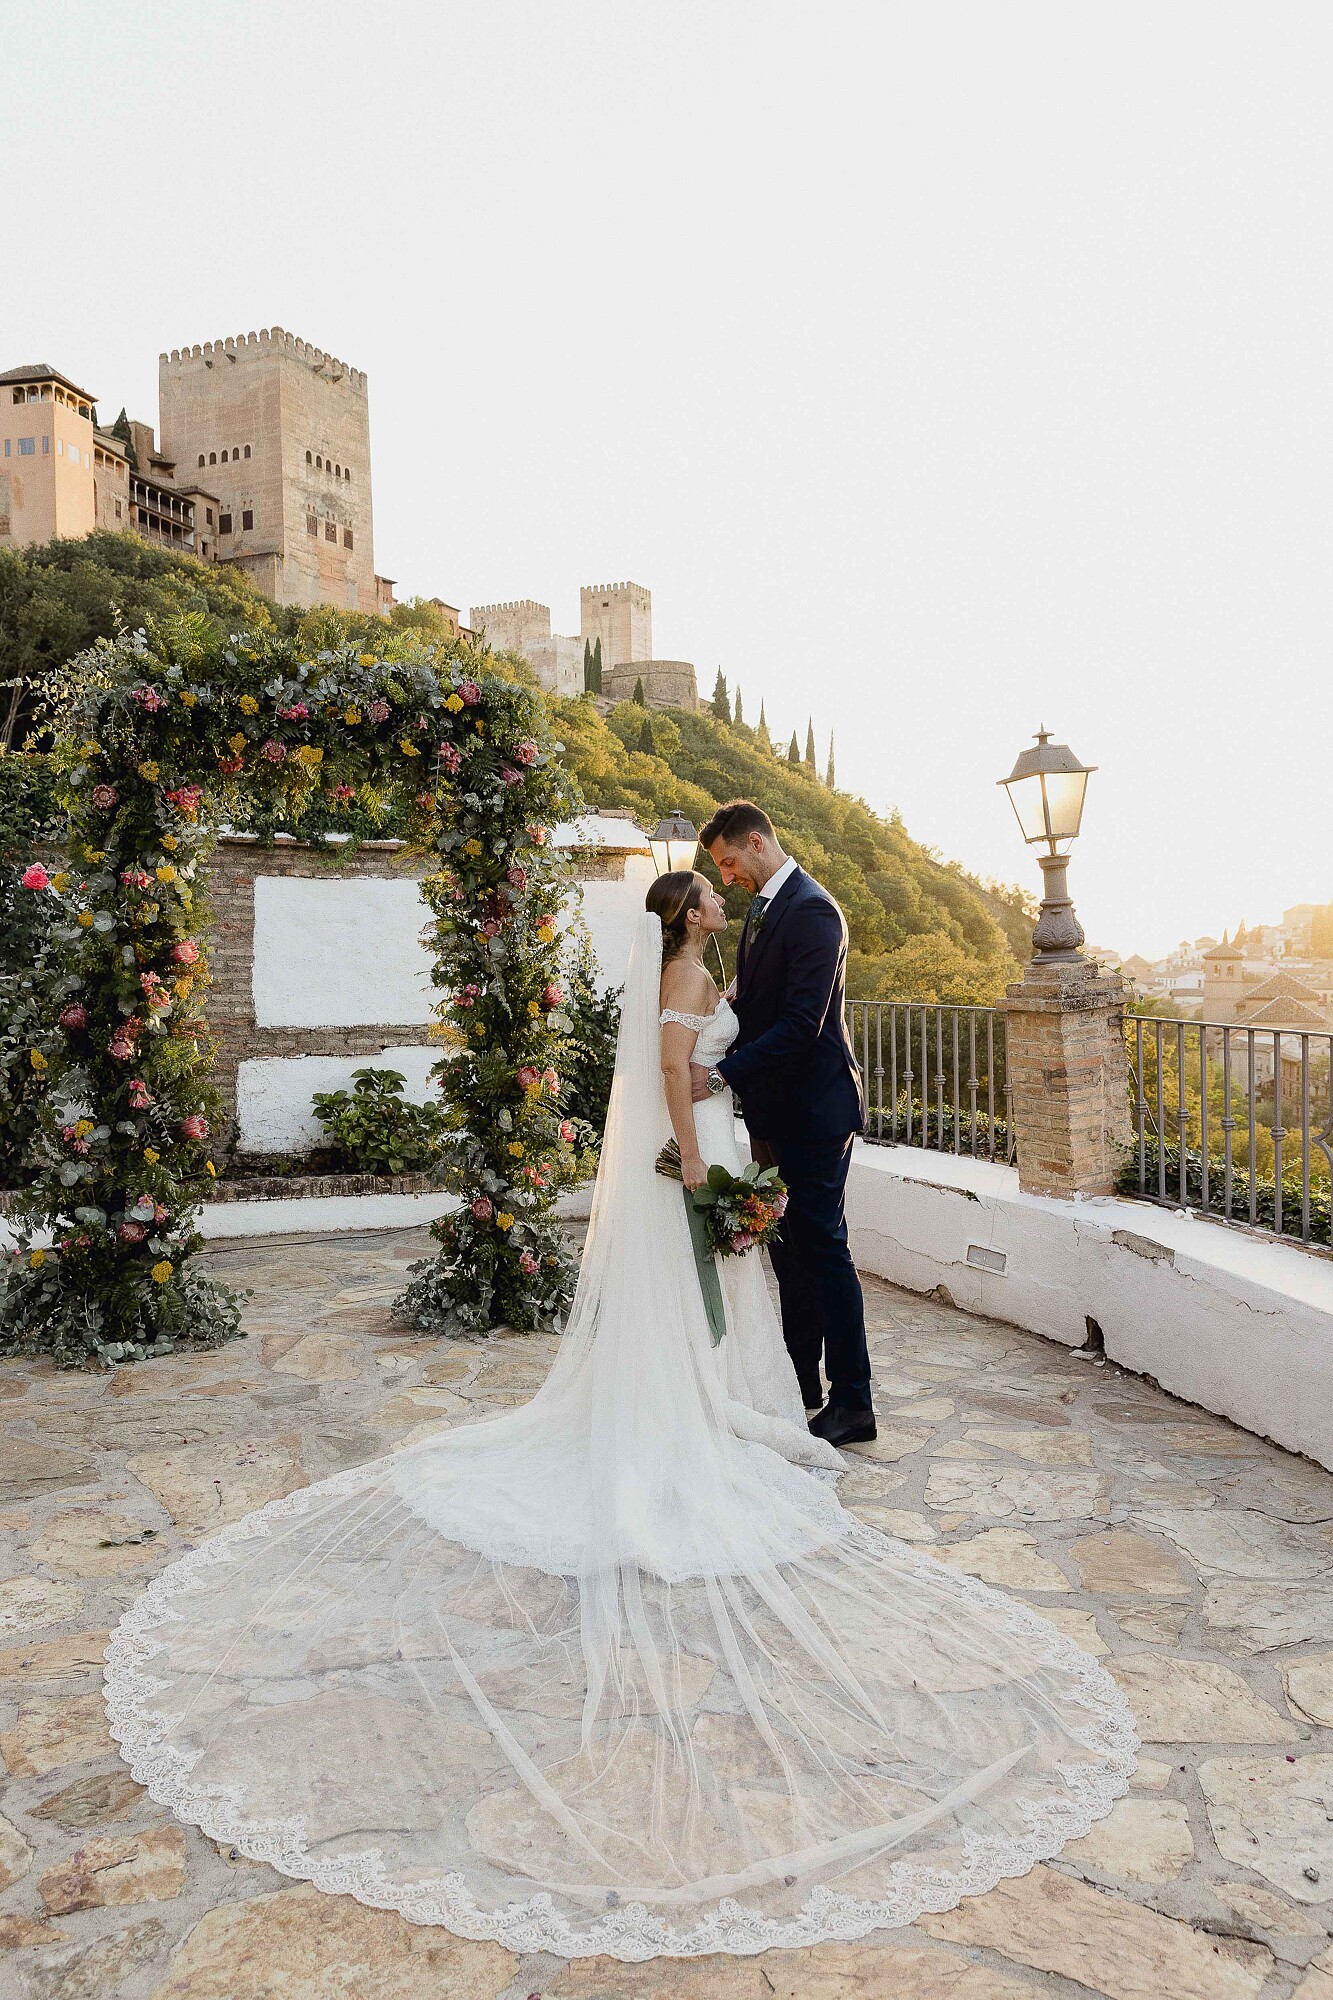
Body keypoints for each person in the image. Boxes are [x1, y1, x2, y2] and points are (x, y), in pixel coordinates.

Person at [104, 888, 1135, 1965]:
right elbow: (665, 1076)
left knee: (733, 1294)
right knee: (727, 1292)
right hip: (705, 1145)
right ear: (684, 916)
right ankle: (723, 1408)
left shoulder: (697, 972)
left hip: (725, 1136)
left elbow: (700, 1046)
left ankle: (744, 1399)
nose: (714, 895)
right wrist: (694, 1154)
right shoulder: (686, 977)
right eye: (703, 893)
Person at [699, 800, 874, 1447]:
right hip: (777, 1111)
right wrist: (734, 1003)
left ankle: (853, 1402)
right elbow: (769, 1001)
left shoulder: (813, 910)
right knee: (787, 1253)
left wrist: (721, 1074)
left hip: (817, 1112)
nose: (724, 878)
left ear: (754, 842)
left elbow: (805, 1025)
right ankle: (799, 1385)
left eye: (726, 862)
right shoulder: (766, 908)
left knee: (824, 1251)